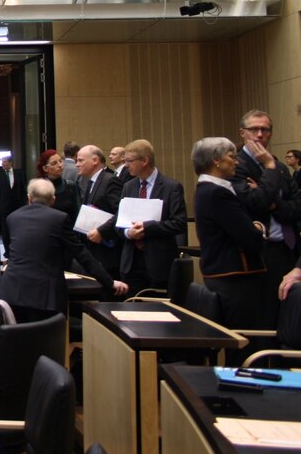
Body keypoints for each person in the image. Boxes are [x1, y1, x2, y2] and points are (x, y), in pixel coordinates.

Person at [0, 178, 127, 322]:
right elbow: (82, 254)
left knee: (15, 338)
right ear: (53, 200)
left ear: (29, 198)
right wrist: (110, 282)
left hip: (10, 290)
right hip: (45, 295)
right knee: (46, 340)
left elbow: (10, 251)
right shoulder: (59, 218)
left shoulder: (12, 217)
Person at [193, 137, 274, 363]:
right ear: (216, 161)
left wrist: (251, 227)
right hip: (236, 278)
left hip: (223, 275)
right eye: (231, 156)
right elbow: (249, 238)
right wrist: (257, 229)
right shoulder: (216, 192)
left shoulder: (206, 188)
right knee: (243, 344)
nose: (236, 162)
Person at [229, 109, 301, 313]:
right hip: (257, 252)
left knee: (286, 313)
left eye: (265, 130)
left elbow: (297, 208)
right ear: (242, 133)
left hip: (287, 249)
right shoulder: (235, 166)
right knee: (261, 314)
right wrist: (266, 199)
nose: (260, 134)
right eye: (254, 129)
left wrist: (274, 204)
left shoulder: (280, 167)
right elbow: (254, 204)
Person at [100, 139, 187, 294]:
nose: (126, 165)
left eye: (129, 161)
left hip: (159, 262)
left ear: (145, 161)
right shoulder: (128, 186)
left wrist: (147, 227)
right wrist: (128, 232)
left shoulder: (171, 187)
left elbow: (179, 223)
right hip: (131, 263)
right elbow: (119, 222)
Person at [78, 145, 124, 280]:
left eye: (81, 160)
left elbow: (121, 213)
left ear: (95, 160)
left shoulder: (110, 181)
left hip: (108, 252)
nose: (77, 164)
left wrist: (101, 231)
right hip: (93, 250)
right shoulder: (90, 182)